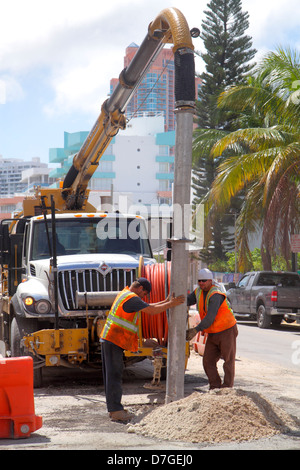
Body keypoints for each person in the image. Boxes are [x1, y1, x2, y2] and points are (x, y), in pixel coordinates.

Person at [100, 277, 185, 422]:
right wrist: (172, 304)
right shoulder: (132, 298)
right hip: (114, 340)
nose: (143, 297)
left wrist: (166, 302)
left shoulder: (125, 294)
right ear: (140, 289)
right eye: (144, 294)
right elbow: (151, 310)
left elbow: (148, 305)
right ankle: (116, 411)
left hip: (110, 340)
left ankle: (114, 409)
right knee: (114, 376)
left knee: (112, 376)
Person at [186, 268, 238, 390]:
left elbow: (210, 318)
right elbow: (187, 300)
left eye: (204, 281)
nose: (201, 283)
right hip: (213, 333)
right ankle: (215, 387)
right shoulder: (198, 292)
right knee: (208, 361)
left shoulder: (216, 294)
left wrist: (195, 330)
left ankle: (226, 389)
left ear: (210, 280)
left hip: (227, 330)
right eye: (199, 281)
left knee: (228, 361)